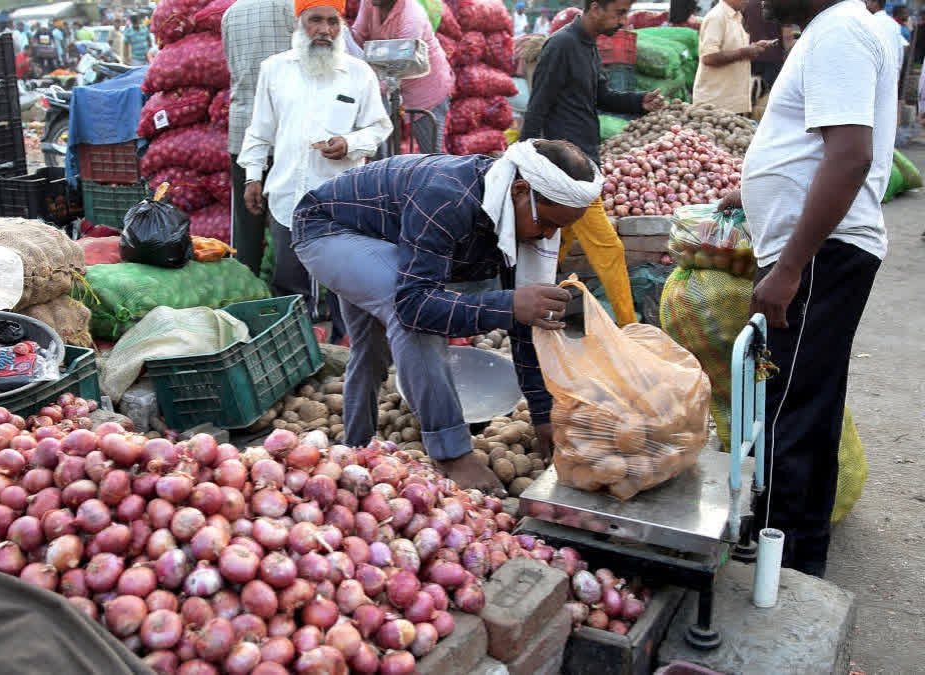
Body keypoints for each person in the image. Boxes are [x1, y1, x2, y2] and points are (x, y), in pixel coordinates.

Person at [294, 140, 602, 492]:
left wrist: (543, 414)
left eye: (557, 229)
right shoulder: (448, 199)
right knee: (405, 314)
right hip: (329, 229)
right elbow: (415, 307)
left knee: (371, 352)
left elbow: (528, 323)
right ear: (520, 191)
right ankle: (451, 453)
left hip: (388, 237)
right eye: (546, 224)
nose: (548, 236)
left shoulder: (522, 213)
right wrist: (507, 304)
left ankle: (353, 450)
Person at [717, 0, 896, 576]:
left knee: (789, 415)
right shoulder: (837, 28)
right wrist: (754, 189)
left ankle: (782, 572)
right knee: (804, 409)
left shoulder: (840, 29)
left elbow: (850, 157)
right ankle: (795, 560)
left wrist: (790, 267)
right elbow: (818, 147)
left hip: (821, 254)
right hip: (823, 252)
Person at [239, 0, 393, 338]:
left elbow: (379, 127)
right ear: (300, 23)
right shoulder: (274, 69)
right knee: (289, 281)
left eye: (332, 22)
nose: (324, 29)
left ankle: (344, 351)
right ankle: (297, 349)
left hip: (341, 197)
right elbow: (260, 128)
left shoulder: (358, 73)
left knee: (345, 282)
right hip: (287, 193)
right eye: (315, 20)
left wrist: (350, 144)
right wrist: (253, 175)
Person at [519, 0, 663, 326]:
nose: (624, 21)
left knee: (558, 243)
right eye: (620, 13)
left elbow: (601, 96)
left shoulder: (589, 46)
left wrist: (639, 102)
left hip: (586, 162)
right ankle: (630, 327)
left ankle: (525, 304)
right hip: (569, 171)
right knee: (609, 249)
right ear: (595, 7)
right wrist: (524, 157)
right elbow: (538, 104)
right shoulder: (561, 45)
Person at [222, 0, 298, 277]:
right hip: (286, 129)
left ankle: (247, 284)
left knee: (247, 223)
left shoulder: (231, 13)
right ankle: (291, 290)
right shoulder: (293, 7)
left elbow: (232, 65)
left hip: (244, 127)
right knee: (287, 216)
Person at [351, 0, 454, 154]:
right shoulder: (369, 3)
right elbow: (358, 37)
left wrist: (372, 85)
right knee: (377, 142)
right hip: (388, 79)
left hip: (425, 85)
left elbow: (404, 65)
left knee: (432, 153)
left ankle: (440, 176)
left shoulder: (412, 16)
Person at [692, 0, 777, 114]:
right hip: (715, 103)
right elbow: (708, 58)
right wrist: (744, 52)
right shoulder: (717, 17)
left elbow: (733, 50)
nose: (747, 1)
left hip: (731, 102)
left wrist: (754, 47)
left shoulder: (736, 16)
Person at [745, 0, 786, 91]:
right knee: (771, 93)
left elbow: (744, 29)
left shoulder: (747, 4)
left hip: (752, 55)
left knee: (753, 93)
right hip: (773, 57)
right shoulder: (779, 4)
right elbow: (787, 34)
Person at [866, 0, 908, 70]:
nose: (866, 4)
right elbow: (900, 52)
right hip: (891, 71)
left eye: (868, 1)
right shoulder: (894, 24)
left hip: (875, 70)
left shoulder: (870, 21)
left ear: (875, 3)